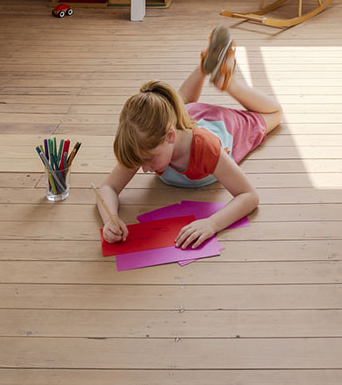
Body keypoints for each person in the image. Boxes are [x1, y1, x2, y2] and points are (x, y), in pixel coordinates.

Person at [95, 25, 281, 248]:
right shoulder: (143, 143)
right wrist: (111, 219)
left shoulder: (206, 148)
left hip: (222, 126)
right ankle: (203, 66)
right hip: (189, 116)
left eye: (149, 160)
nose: (143, 169)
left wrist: (212, 224)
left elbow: (249, 196)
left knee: (275, 113)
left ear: (169, 137)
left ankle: (229, 84)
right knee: (181, 102)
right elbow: (107, 188)